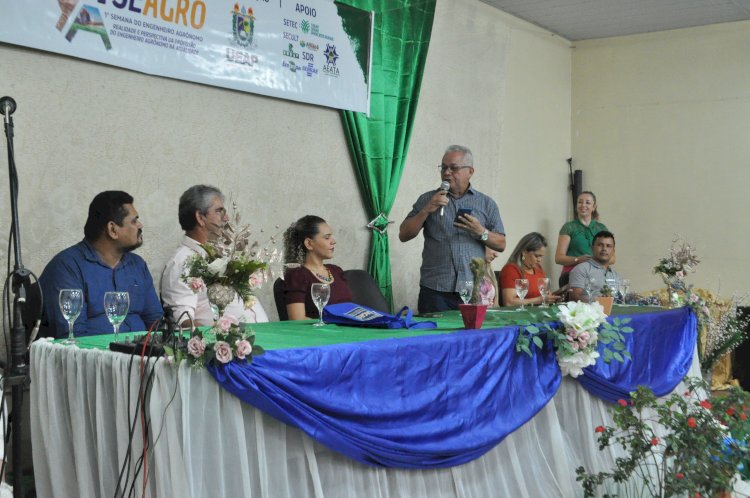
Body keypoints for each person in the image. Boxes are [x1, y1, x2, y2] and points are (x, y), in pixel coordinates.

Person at [39, 191, 163, 338]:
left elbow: (156, 323)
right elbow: (71, 336)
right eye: (134, 221)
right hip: (94, 357)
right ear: (112, 229)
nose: (140, 225)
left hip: (142, 356)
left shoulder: (137, 265)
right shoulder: (67, 267)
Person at [399, 145, 506, 313]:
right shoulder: (428, 199)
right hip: (435, 290)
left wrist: (481, 231)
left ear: (470, 171)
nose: (447, 172)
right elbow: (404, 234)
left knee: (472, 338)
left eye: (453, 168)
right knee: (435, 339)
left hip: (473, 291)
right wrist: (426, 210)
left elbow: (501, 244)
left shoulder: (486, 203)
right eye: (444, 167)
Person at [160, 185, 269, 327]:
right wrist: (221, 336)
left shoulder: (223, 255)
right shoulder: (181, 262)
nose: (227, 218)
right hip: (229, 345)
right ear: (200, 217)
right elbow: (183, 322)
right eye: (219, 211)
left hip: (262, 339)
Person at [282, 215, 353, 320]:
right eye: (327, 237)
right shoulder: (297, 275)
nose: (333, 241)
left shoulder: (336, 271)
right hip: (321, 335)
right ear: (309, 243)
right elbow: (297, 319)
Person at [554, 191, 612, 287]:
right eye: (580, 202)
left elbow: (612, 258)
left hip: (596, 276)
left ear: (594, 207)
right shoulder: (569, 227)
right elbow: (558, 258)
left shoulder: (601, 228)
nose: (583, 205)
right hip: (572, 276)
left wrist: (595, 261)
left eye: (588, 202)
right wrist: (578, 260)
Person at [498, 232, 563, 307]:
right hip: (519, 316)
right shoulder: (511, 270)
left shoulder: (538, 268)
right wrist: (538, 300)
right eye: (536, 256)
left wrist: (553, 298)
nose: (539, 260)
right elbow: (509, 302)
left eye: (541, 256)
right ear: (524, 252)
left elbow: (544, 296)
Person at [569, 230, 621, 301]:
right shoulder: (581, 269)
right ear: (592, 248)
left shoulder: (614, 274)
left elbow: (619, 298)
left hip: (613, 311)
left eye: (608, 246)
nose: (604, 249)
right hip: (589, 311)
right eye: (600, 245)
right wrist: (598, 304)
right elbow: (574, 297)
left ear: (613, 251)